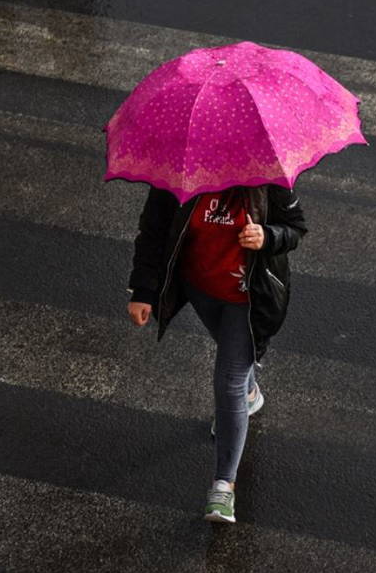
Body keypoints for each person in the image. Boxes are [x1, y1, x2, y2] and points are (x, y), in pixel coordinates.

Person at [126, 183, 307, 523]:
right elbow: (153, 232)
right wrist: (143, 290)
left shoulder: (268, 177)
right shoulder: (177, 175)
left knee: (228, 381)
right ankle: (250, 395)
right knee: (235, 370)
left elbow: (295, 227)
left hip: (248, 300)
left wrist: (267, 237)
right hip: (201, 291)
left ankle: (223, 487)